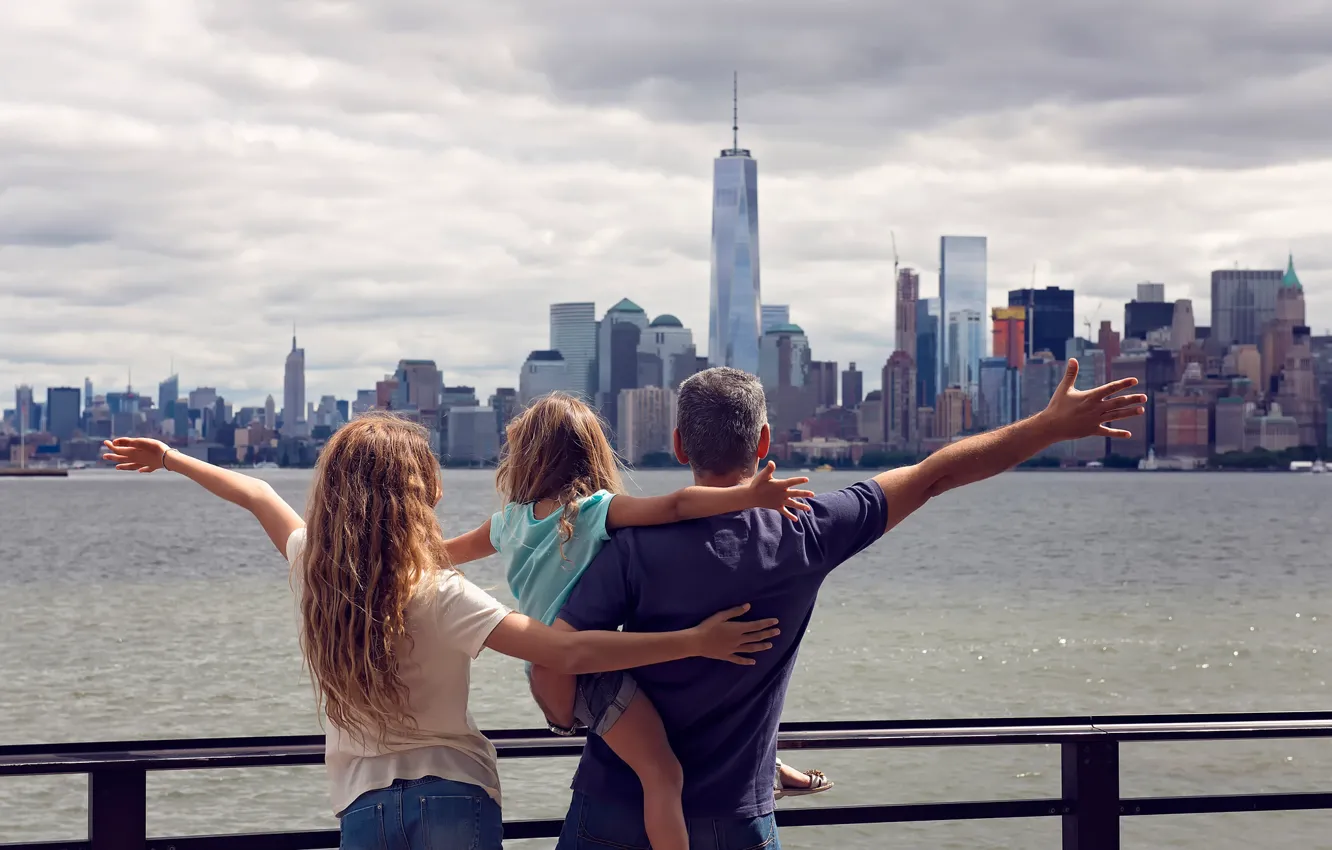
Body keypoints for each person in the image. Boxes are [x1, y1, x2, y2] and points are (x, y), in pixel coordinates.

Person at [100, 413, 782, 850]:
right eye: (431, 484)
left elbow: (255, 494)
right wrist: (693, 641)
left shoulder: (315, 564)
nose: (443, 494)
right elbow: (569, 650)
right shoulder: (439, 591)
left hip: (364, 805)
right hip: (457, 793)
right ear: (414, 495)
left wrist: (171, 459)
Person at [544, 360, 1147, 849]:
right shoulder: (805, 531)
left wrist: (574, 716)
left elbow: (554, 670)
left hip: (612, 808)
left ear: (678, 444)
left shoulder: (628, 544)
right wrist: (1048, 426)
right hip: (734, 820)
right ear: (764, 442)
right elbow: (935, 474)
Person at [441, 393, 831, 850]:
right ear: (591, 452)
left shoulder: (507, 523)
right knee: (662, 773)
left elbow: (440, 556)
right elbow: (675, 508)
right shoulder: (591, 512)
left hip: (550, 670)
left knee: (676, 714)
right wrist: (749, 497)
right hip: (593, 671)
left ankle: (769, 766)